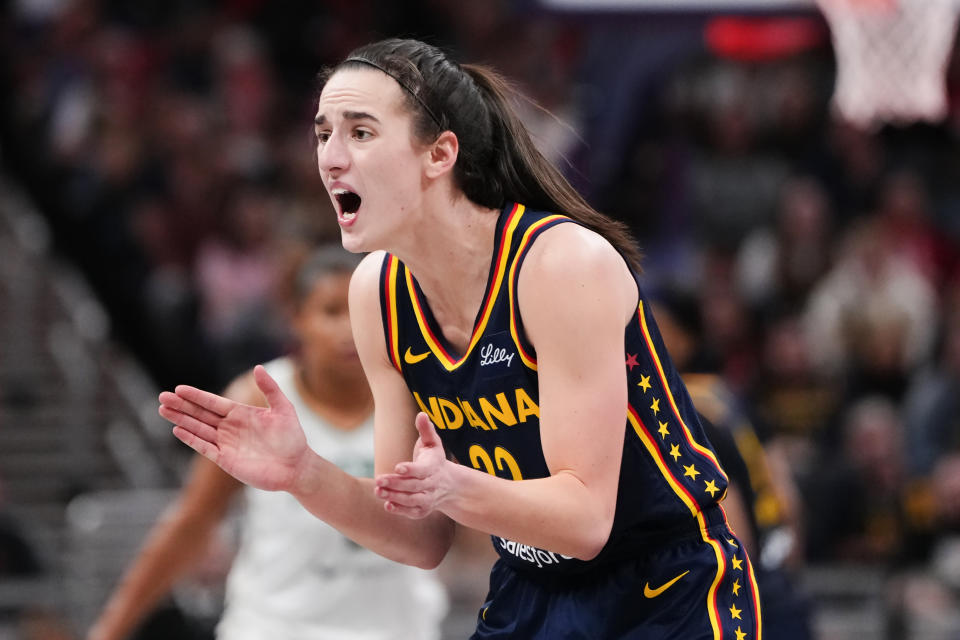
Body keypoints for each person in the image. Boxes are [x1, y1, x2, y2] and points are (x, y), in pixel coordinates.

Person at [159, 38, 762, 639]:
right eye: (323, 134)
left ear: (440, 154)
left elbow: (585, 522)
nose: (331, 159)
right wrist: (303, 474)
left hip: (665, 591)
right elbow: (417, 536)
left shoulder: (559, 265)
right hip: (530, 588)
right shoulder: (377, 292)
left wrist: (455, 485)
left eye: (360, 133)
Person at [88, 245, 448, 640]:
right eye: (331, 312)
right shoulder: (257, 396)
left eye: (362, 313)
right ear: (296, 319)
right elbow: (191, 522)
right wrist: (111, 628)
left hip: (395, 629)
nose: (350, 329)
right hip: (274, 628)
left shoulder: (418, 393)